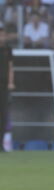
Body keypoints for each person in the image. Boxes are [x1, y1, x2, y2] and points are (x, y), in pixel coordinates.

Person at [0, 24, 11, 152]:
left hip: (3, 85)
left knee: (3, 115)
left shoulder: (8, 50)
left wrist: (10, 82)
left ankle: (1, 144)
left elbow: (11, 67)